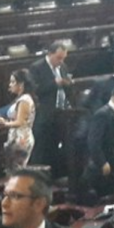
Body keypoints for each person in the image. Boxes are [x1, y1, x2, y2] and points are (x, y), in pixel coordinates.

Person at [29, 41, 72, 171]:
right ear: (50, 54)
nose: (61, 61)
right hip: (44, 113)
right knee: (42, 147)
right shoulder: (37, 67)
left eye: (63, 58)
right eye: (59, 58)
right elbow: (35, 89)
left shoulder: (63, 67)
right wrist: (55, 83)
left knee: (56, 146)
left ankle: (55, 173)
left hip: (61, 112)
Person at [0, 68, 37, 171]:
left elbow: (20, 122)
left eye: (13, 82)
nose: (10, 85)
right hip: (18, 136)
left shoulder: (24, 100)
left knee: (17, 171)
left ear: (21, 84)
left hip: (21, 138)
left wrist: (5, 123)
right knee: (14, 169)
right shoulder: (21, 99)